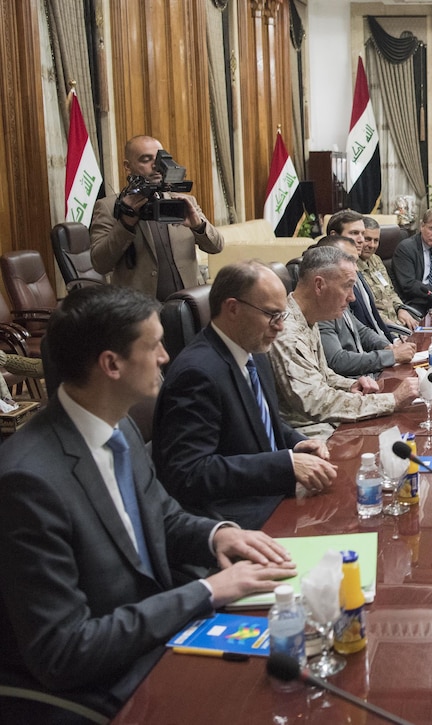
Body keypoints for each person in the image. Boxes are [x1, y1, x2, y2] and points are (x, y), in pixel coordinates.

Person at [0, 285, 294, 720]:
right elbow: (64, 651)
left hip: (158, 634)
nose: (166, 358)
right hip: (104, 681)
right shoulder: (27, 481)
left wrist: (220, 535)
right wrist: (206, 591)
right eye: (154, 346)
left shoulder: (120, 429)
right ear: (111, 364)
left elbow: (162, 515)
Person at [153, 261, 338, 530]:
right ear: (233, 308)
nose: (280, 327)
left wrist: (297, 443)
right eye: (271, 315)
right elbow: (189, 472)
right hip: (236, 516)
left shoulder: (254, 351)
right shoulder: (197, 373)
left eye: (282, 316)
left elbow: (261, 420)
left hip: (273, 495)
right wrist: (284, 464)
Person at [269, 245, 419, 438]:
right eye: (347, 286)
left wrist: (349, 385)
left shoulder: (309, 318)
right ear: (319, 285)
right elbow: (316, 402)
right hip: (312, 435)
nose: (352, 297)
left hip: (329, 423)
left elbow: (323, 375)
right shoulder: (287, 333)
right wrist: (392, 399)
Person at [89, 135, 224, 301]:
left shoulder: (183, 201)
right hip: (139, 310)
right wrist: (125, 224)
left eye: (160, 159)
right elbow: (100, 264)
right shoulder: (109, 207)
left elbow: (216, 246)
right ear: (127, 166)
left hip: (188, 306)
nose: (156, 166)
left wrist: (198, 226)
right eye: (146, 159)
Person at [316, 237, 415, 377]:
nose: (356, 268)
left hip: (367, 374)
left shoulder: (338, 296)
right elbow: (337, 361)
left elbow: (362, 331)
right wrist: (391, 356)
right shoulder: (321, 307)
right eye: (350, 261)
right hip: (356, 382)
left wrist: (387, 346)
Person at [326, 209, 419, 329]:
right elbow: (364, 317)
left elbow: (389, 291)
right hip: (385, 328)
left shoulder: (376, 260)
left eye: (376, 241)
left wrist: (401, 308)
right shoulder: (342, 268)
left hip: (395, 325)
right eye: (355, 233)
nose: (370, 244)